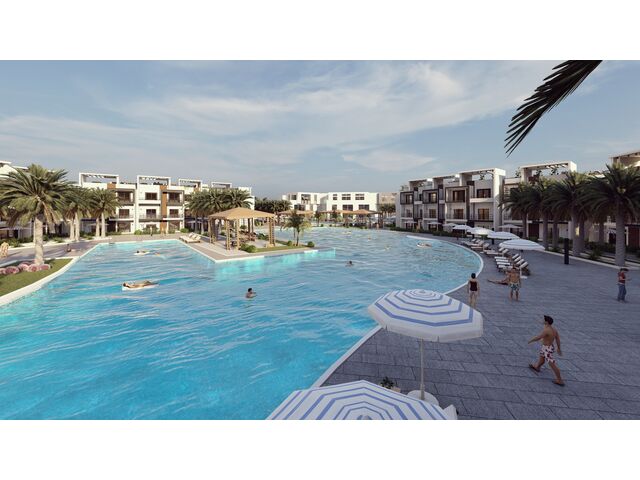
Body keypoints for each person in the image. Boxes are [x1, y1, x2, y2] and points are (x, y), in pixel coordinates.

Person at [527, 315, 564, 386]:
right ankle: (537, 367)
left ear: (546, 322)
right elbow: (557, 339)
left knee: (552, 364)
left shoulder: (547, 330)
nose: (542, 320)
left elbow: (539, 337)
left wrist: (531, 340)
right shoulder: (554, 329)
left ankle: (560, 380)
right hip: (547, 347)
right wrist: (559, 348)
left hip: (547, 349)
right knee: (542, 358)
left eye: (543, 320)